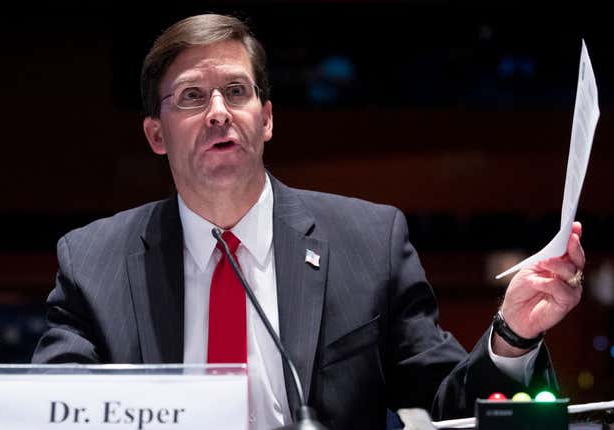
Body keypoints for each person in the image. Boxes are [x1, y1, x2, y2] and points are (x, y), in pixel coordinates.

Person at [32, 13, 585, 429]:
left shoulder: (367, 244)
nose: (219, 111)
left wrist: (511, 336)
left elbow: (443, 409)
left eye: (237, 91)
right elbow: (47, 413)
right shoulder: (94, 261)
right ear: (156, 134)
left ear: (266, 119)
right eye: (193, 97)